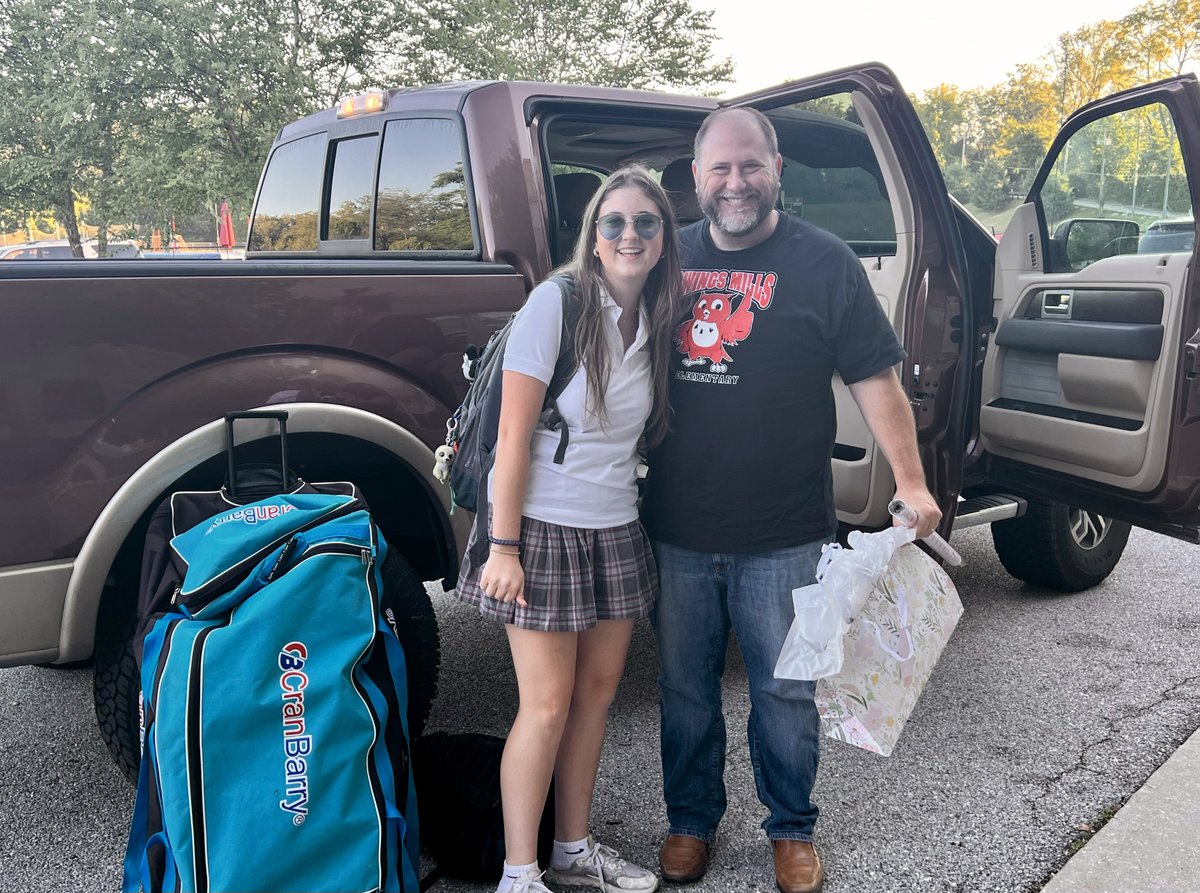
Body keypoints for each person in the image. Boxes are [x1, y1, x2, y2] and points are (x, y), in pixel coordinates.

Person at [640, 108, 943, 893]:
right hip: (677, 525)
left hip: (784, 531)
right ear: (697, 175)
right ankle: (691, 820)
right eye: (719, 169)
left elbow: (877, 379)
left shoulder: (826, 262)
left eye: (750, 166)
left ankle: (790, 827)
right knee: (683, 687)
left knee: (784, 689)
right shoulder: (665, 257)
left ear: (778, 168)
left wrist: (910, 483)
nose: (735, 182)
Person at [455, 164, 682, 893]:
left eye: (646, 222)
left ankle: (572, 850)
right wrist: (504, 544)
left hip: (615, 528)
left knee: (596, 695)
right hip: (541, 531)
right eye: (613, 221)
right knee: (546, 702)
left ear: (663, 237)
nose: (629, 235)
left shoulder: (655, 316)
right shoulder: (556, 303)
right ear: (593, 233)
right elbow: (513, 438)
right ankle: (519, 875)